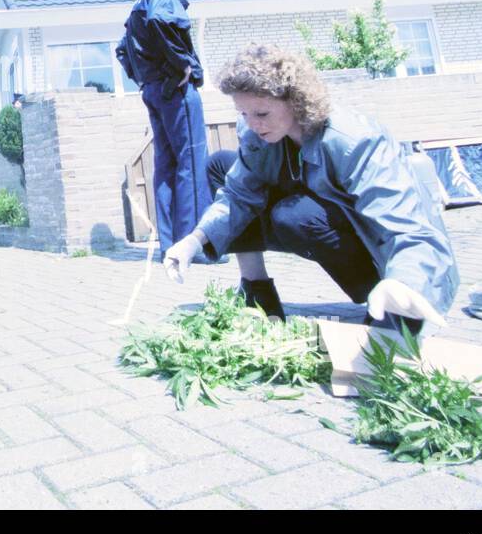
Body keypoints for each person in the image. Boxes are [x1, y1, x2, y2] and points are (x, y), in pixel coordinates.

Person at [163, 44, 455, 331]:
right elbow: (239, 193)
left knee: (294, 215)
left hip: (396, 259)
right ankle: (257, 289)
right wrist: (195, 240)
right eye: (243, 114)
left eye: (261, 114)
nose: (251, 124)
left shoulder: (355, 140)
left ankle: (384, 299)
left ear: (295, 100)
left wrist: (404, 281)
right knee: (221, 164)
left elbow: (407, 227)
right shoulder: (256, 134)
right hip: (308, 216)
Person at [116, 0, 207, 259]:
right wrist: (184, 65)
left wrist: (144, 79)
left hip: (154, 91)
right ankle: (196, 246)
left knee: (167, 165)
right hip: (174, 90)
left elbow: (122, 51)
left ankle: (169, 244)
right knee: (192, 164)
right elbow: (161, 22)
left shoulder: (139, 3)